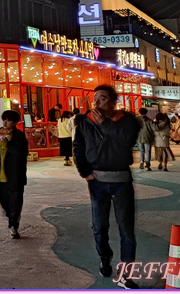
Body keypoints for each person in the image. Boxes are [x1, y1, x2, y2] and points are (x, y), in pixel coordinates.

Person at [73, 85, 141, 289]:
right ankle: (104, 256)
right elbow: (78, 148)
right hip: (97, 182)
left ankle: (127, 274)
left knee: (126, 229)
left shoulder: (128, 120)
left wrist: (105, 124)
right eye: (95, 99)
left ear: (113, 100)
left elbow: (127, 140)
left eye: (102, 98)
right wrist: (85, 172)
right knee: (99, 226)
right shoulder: (85, 122)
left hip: (121, 180)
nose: (97, 103)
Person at [0, 109, 29, 239]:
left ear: (15, 122)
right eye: (4, 119)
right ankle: (13, 217)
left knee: (16, 200)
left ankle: (13, 225)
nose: (5, 123)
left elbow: (21, 154)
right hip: (1, 173)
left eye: (9, 120)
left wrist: (8, 144)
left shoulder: (19, 136)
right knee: (3, 198)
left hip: (16, 173)